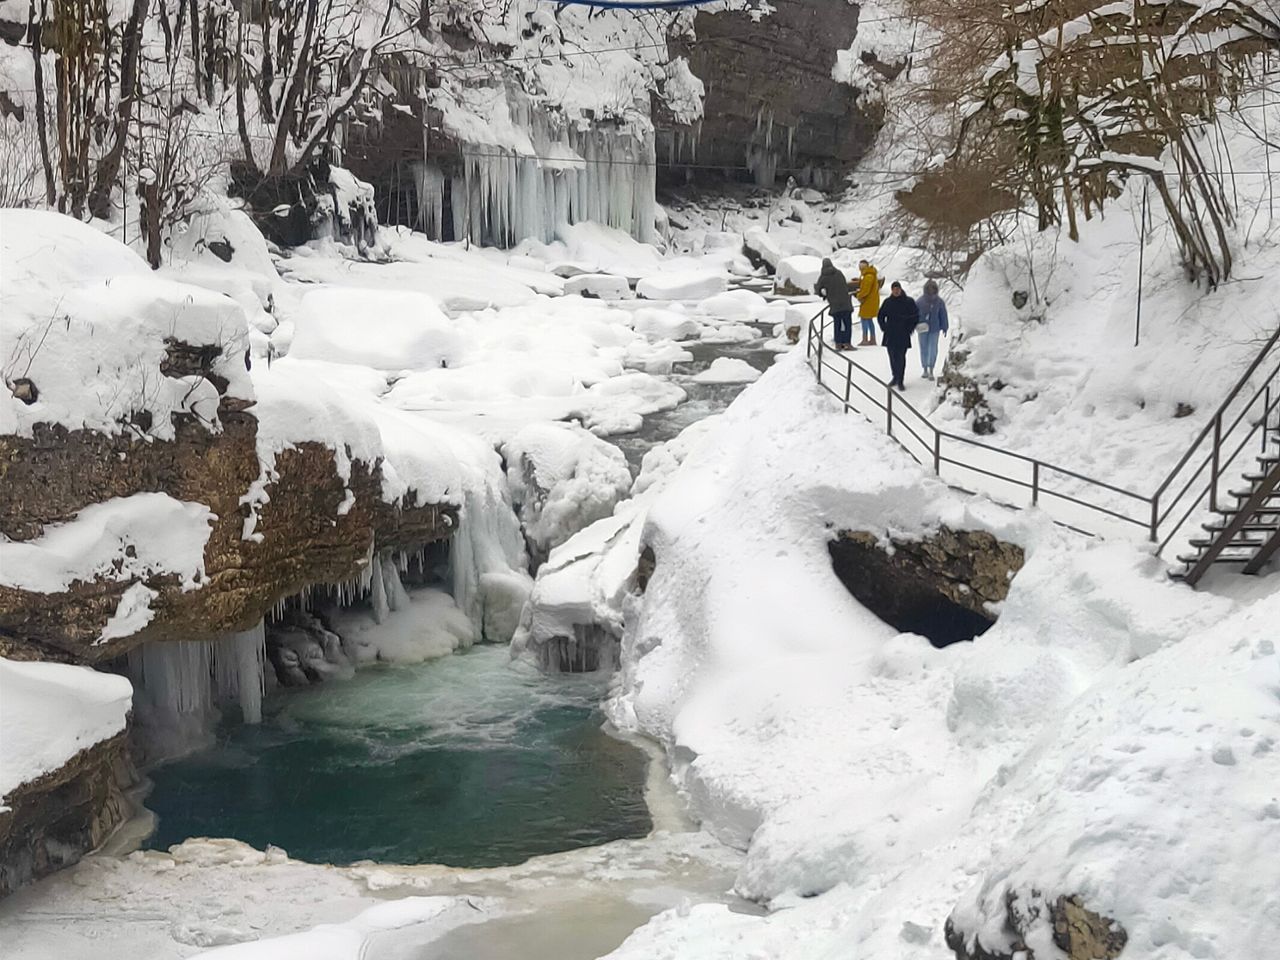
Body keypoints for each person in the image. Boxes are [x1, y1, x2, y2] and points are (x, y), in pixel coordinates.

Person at [877, 281, 918, 390]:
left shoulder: (908, 301)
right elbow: (880, 315)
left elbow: (915, 316)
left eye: (898, 289)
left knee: (901, 357)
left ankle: (900, 380)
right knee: (892, 357)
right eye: (894, 289)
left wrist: (910, 329)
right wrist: (884, 327)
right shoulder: (888, 302)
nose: (896, 291)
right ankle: (895, 376)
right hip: (890, 334)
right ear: (892, 290)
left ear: (901, 289)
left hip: (903, 333)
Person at [814, 258, 855, 350]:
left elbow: (818, 289)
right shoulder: (839, 273)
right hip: (845, 303)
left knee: (837, 324)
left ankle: (838, 343)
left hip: (835, 304)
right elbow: (845, 286)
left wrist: (824, 294)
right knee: (847, 324)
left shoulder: (823, 277)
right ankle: (847, 343)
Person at [915, 279, 949, 380]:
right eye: (929, 288)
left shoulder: (939, 302)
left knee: (933, 349)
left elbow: (943, 315)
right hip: (922, 328)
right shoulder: (920, 301)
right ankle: (925, 368)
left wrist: (945, 327)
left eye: (933, 288)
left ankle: (931, 369)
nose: (931, 290)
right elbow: (914, 314)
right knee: (923, 348)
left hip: (935, 328)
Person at [854, 260, 881, 346]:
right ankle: (872, 339)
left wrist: (859, 295)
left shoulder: (868, 276)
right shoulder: (871, 275)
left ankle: (865, 339)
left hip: (867, 301)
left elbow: (865, 290)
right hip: (872, 301)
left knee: (864, 319)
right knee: (869, 320)